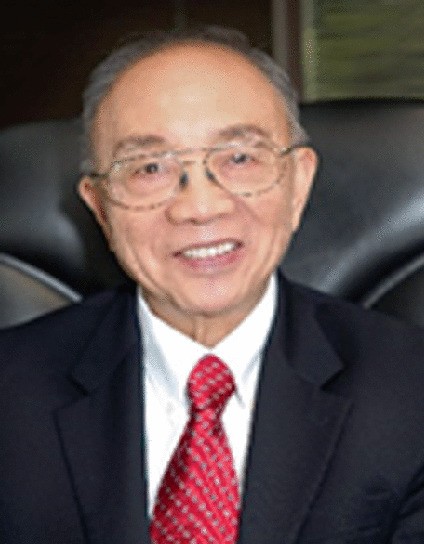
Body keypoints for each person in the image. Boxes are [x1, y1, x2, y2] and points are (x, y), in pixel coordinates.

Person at [1, 25, 424, 544]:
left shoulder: (412, 392)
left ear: (298, 184)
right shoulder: (10, 396)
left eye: (239, 158)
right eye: (150, 167)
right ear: (100, 208)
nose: (200, 208)